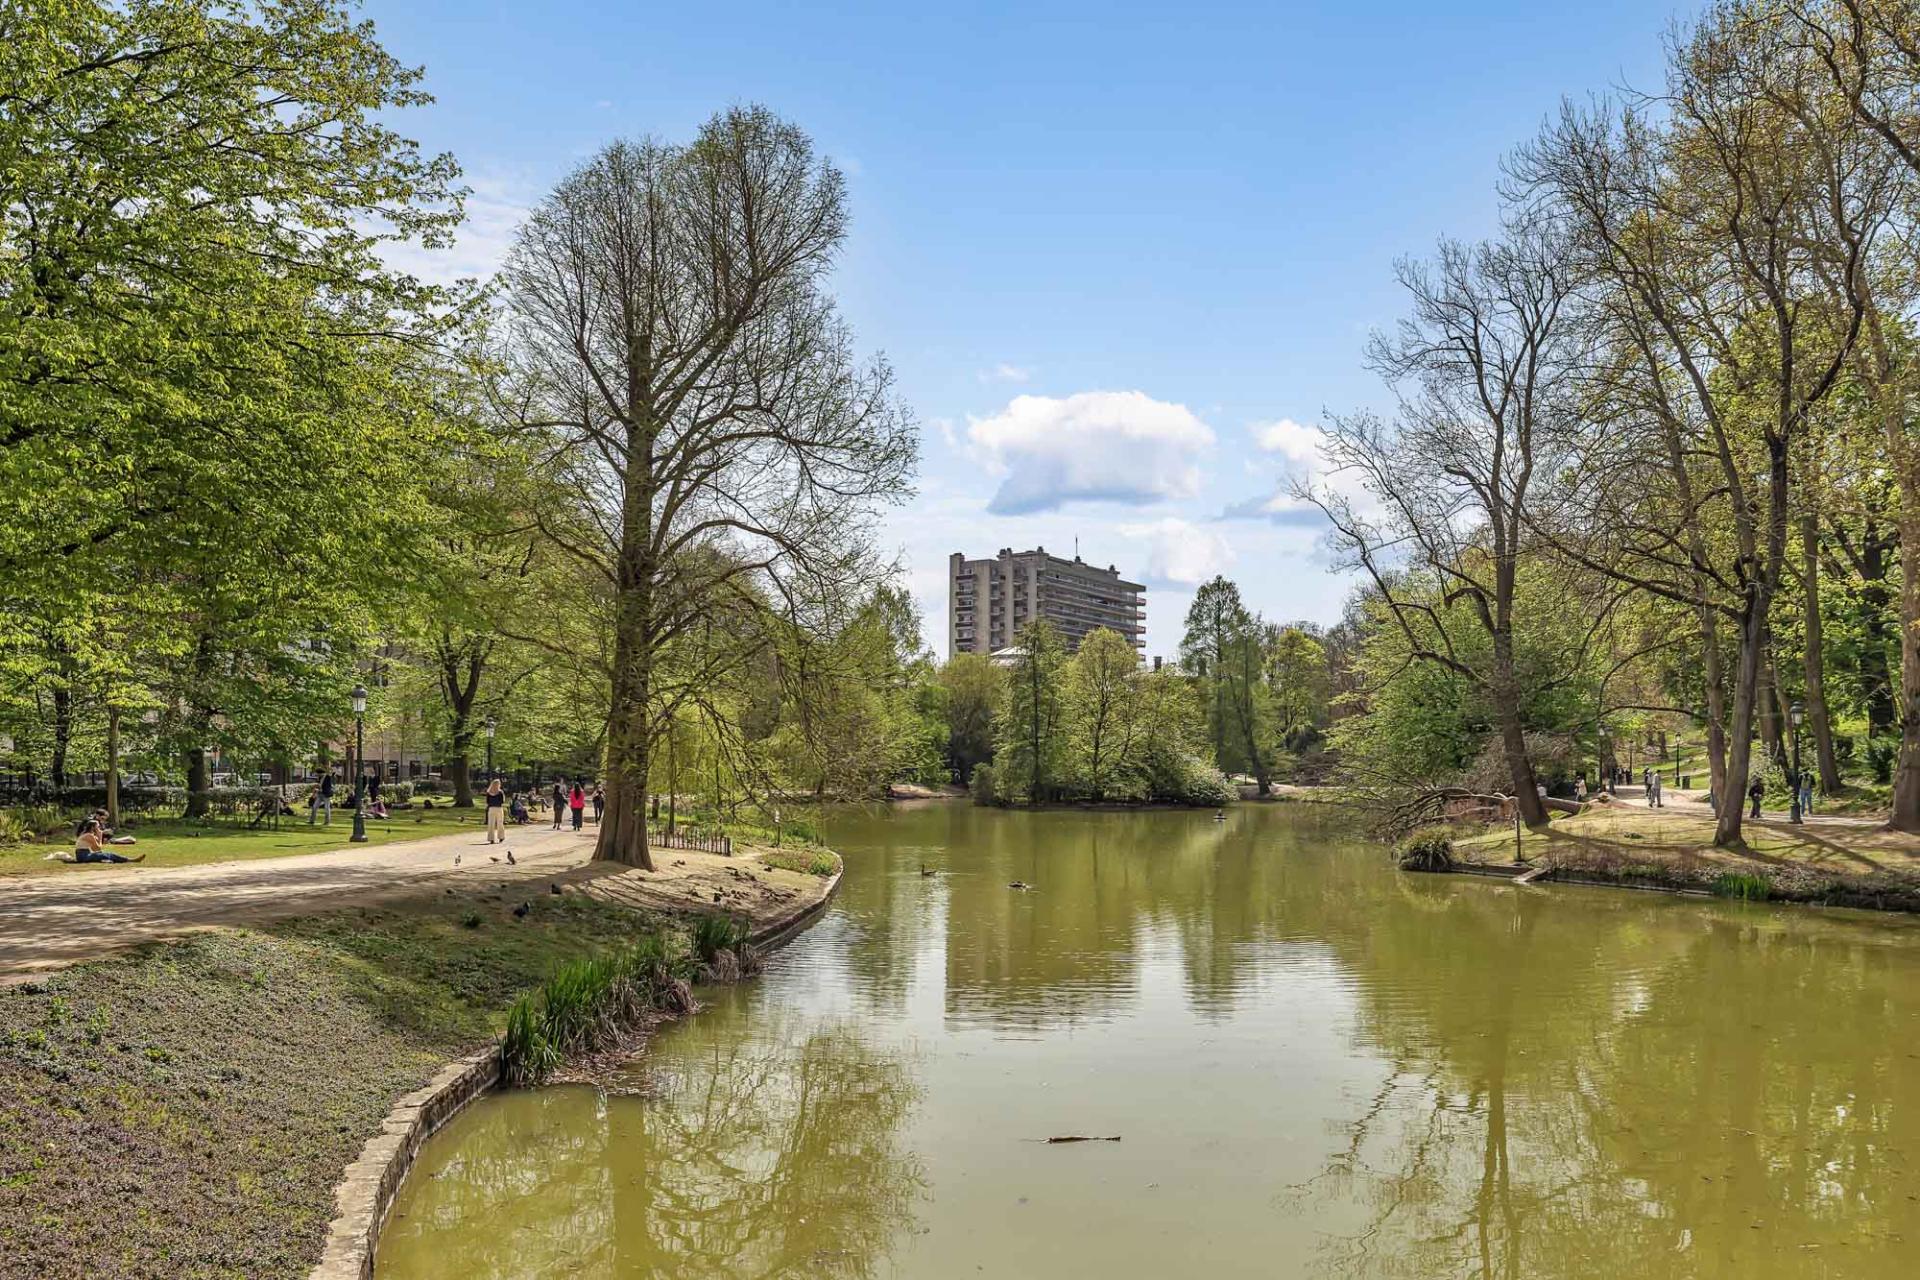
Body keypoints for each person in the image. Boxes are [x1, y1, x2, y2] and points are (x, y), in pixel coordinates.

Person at [74, 819, 143, 864]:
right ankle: (131, 860)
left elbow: (94, 849)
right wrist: (100, 836)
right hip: (84, 856)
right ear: (93, 828)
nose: (99, 828)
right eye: (97, 827)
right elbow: (98, 848)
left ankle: (105, 860)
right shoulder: (89, 835)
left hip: (83, 855)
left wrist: (98, 837)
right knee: (109, 854)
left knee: (102, 854)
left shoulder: (87, 834)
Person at [484, 777, 506, 843]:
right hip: (498, 808)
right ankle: (501, 837)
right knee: (500, 823)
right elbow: (502, 801)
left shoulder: (489, 792)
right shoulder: (500, 792)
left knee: (491, 823)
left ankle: (491, 838)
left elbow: (487, 801)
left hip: (491, 808)